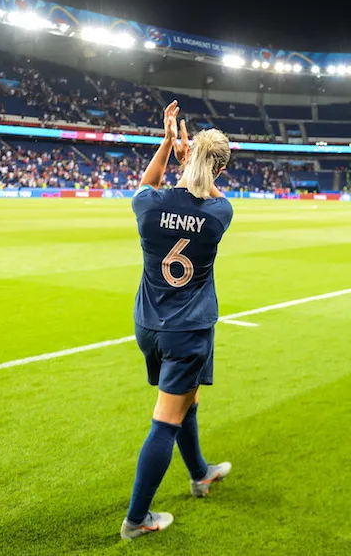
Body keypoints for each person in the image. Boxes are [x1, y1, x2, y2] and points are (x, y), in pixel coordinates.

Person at [120, 101, 234, 539]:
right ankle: (137, 519)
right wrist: (196, 165)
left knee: (188, 402)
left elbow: (146, 185)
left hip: (149, 326)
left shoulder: (150, 207)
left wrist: (168, 145)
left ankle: (200, 473)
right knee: (166, 420)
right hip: (188, 331)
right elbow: (213, 195)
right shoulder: (220, 214)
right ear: (219, 170)